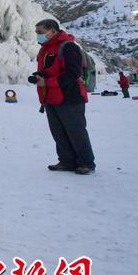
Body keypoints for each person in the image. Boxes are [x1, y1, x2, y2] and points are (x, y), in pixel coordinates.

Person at [32, 19, 96, 175]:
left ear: (52, 31)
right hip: (50, 97)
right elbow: (51, 70)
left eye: (40, 32)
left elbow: (73, 73)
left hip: (70, 97)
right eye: (37, 33)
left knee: (76, 131)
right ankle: (66, 161)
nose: (38, 36)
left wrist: (47, 82)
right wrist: (40, 77)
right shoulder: (45, 49)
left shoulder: (68, 47)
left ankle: (86, 163)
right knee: (58, 132)